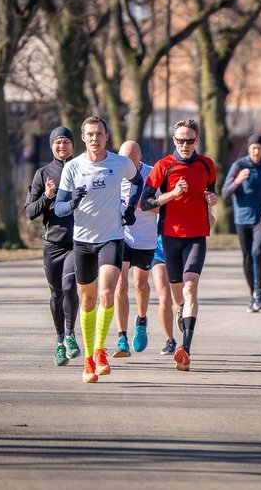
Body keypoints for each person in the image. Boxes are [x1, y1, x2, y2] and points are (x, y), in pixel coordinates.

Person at [54, 116, 142, 384]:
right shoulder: (73, 167)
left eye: (99, 134)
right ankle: (88, 359)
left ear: (107, 137)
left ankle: (99, 351)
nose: (95, 139)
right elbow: (59, 208)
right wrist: (73, 203)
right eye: (90, 134)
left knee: (107, 293)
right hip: (82, 241)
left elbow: (138, 182)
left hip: (112, 238)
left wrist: (129, 209)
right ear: (83, 137)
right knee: (88, 300)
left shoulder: (120, 163)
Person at [141, 119, 217, 372]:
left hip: (197, 235)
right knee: (178, 298)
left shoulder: (207, 164)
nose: (185, 145)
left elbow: (211, 190)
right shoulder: (164, 166)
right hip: (170, 237)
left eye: (190, 140)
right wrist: (172, 194)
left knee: (190, 289)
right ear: (174, 140)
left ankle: (185, 348)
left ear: (197, 140)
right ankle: (181, 314)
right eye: (181, 140)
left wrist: (212, 198)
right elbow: (146, 202)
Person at [24, 126, 81, 366]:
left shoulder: (81, 168)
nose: (62, 146)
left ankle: (70, 335)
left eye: (66, 142)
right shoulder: (43, 173)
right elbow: (29, 212)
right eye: (58, 142)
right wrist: (47, 196)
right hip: (53, 243)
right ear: (51, 146)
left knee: (69, 286)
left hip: (77, 241)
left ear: (72, 145)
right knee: (56, 293)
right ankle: (59, 342)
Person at [111, 141, 159, 358]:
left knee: (140, 284)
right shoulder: (114, 171)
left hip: (145, 238)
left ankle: (141, 320)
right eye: (123, 159)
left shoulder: (152, 174)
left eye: (131, 160)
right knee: (120, 283)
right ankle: (121, 337)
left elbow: (162, 205)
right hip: (120, 236)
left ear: (140, 158)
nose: (127, 164)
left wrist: (143, 204)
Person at [222, 133, 261, 313]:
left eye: (259, 148)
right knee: (247, 256)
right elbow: (225, 192)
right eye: (253, 148)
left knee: (258, 252)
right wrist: (238, 181)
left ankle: (259, 291)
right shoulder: (239, 166)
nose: (256, 151)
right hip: (242, 218)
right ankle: (253, 293)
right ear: (248, 149)